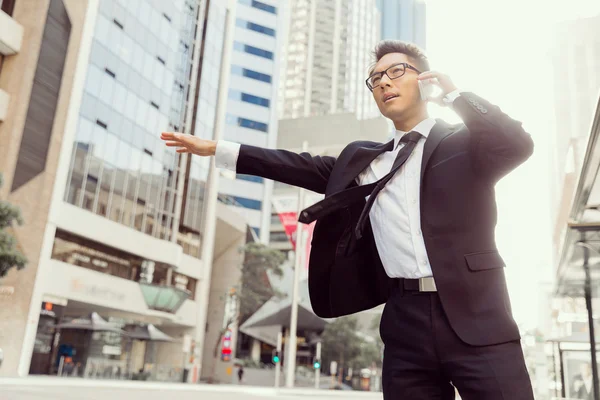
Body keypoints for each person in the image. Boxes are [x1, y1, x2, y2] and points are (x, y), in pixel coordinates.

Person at [161, 40, 534, 399]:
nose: (384, 82)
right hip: (406, 323)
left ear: (425, 79)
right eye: (375, 79)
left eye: (396, 71)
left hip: (478, 315)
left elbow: (515, 144)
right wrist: (219, 150)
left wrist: (454, 95)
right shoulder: (365, 162)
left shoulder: (466, 143)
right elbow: (295, 164)